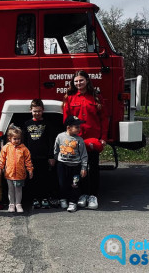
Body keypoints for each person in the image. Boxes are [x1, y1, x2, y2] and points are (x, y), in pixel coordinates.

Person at [63, 70, 107, 210]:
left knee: (93, 167)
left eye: (81, 80)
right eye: (76, 81)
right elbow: (66, 120)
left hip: (93, 140)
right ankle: (82, 194)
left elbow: (104, 120)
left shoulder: (96, 98)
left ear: (87, 81)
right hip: (77, 140)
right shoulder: (69, 99)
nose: (78, 83)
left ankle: (93, 195)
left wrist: (103, 138)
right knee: (78, 168)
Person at [23, 99, 57, 209]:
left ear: (43, 110)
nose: (37, 113)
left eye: (39, 111)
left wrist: (51, 156)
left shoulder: (47, 124)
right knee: (32, 178)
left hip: (44, 157)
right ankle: (35, 198)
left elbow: (51, 141)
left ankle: (44, 198)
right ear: (30, 110)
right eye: (34, 111)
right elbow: (24, 142)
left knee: (45, 178)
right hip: (31, 158)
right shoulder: (27, 124)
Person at [54, 116, 88, 213]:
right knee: (62, 183)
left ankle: (73, 202)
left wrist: (83, 168)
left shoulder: (79, 140)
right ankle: (63, 198)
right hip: (62, 165)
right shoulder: (60, 136)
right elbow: (56, 149)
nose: (79, 129)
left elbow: (84, 155)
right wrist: (57, 159)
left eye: (79, 126)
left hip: (75, 166)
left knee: (75, 184)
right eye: (77, 127)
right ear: (68, 127)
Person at [0, 125, 33, 213]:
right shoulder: (6, 147)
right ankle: (11, 204)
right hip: (9, 173)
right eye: (15, 139)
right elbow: (2, 159)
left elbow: (28, 160)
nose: (17, 141)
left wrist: (30, 170)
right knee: (11, 189)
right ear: (10, 138)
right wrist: (0, 168)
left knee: (18, 189)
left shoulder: (24, 149)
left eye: (18, 139)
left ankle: (18, 204)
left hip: (20, 174)